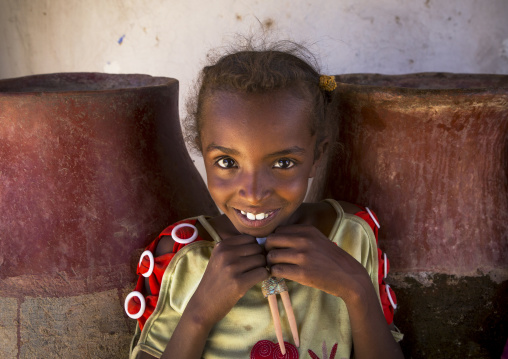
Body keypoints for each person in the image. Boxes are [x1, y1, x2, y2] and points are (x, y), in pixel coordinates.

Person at [126, 40, 403, 359]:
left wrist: (357, 291)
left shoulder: (351, 238)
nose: (254, 193)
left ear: (317, 157)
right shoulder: (183, 258)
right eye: (227, 162)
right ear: (202, 154)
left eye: (283, 163)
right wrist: (198, 315)